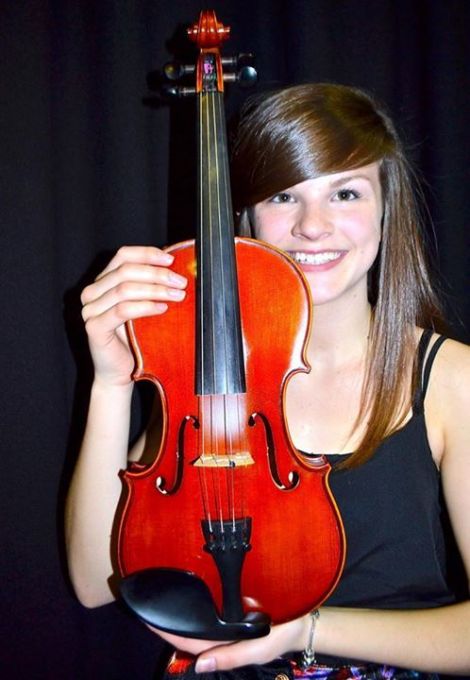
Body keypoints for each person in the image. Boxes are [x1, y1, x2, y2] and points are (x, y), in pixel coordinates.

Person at [65, 83, 470, 678]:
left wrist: (303, 630)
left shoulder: (452, 380)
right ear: (247, 216)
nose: (313, 225)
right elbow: (94, 581)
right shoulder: (210, 373)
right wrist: (111, 383)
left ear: (386, 210)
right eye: (284, 195)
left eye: (346, 192)